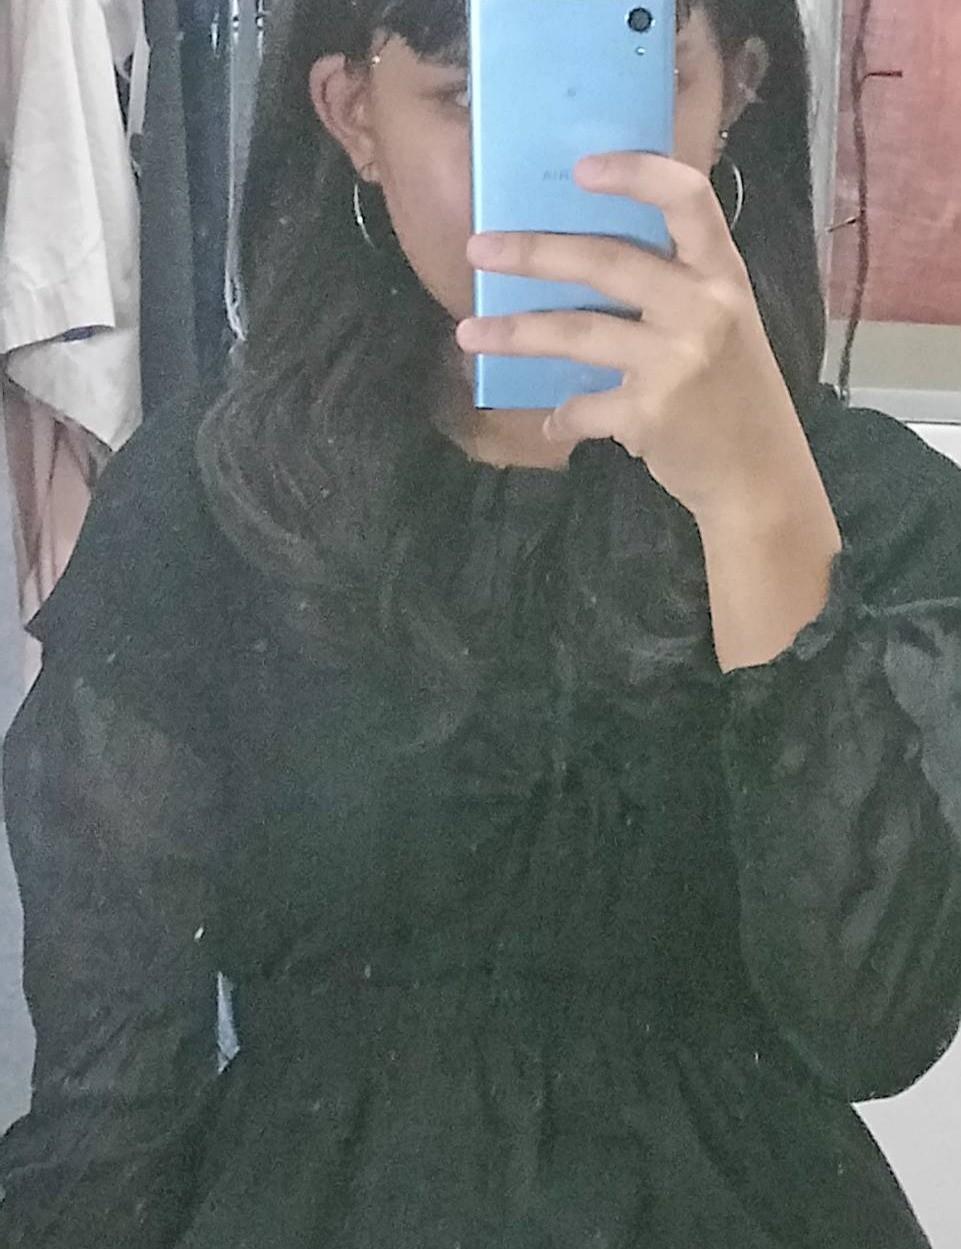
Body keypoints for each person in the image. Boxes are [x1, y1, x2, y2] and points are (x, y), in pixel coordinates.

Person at [2, 0, 960, 1245]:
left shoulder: (869, 507)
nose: (553, 173)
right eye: (470, 100)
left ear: (736, 90)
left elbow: (871, 1023)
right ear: (353, 116)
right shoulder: (212, 504)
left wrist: (756, 499)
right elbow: (110, 1106)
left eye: (625, 85)